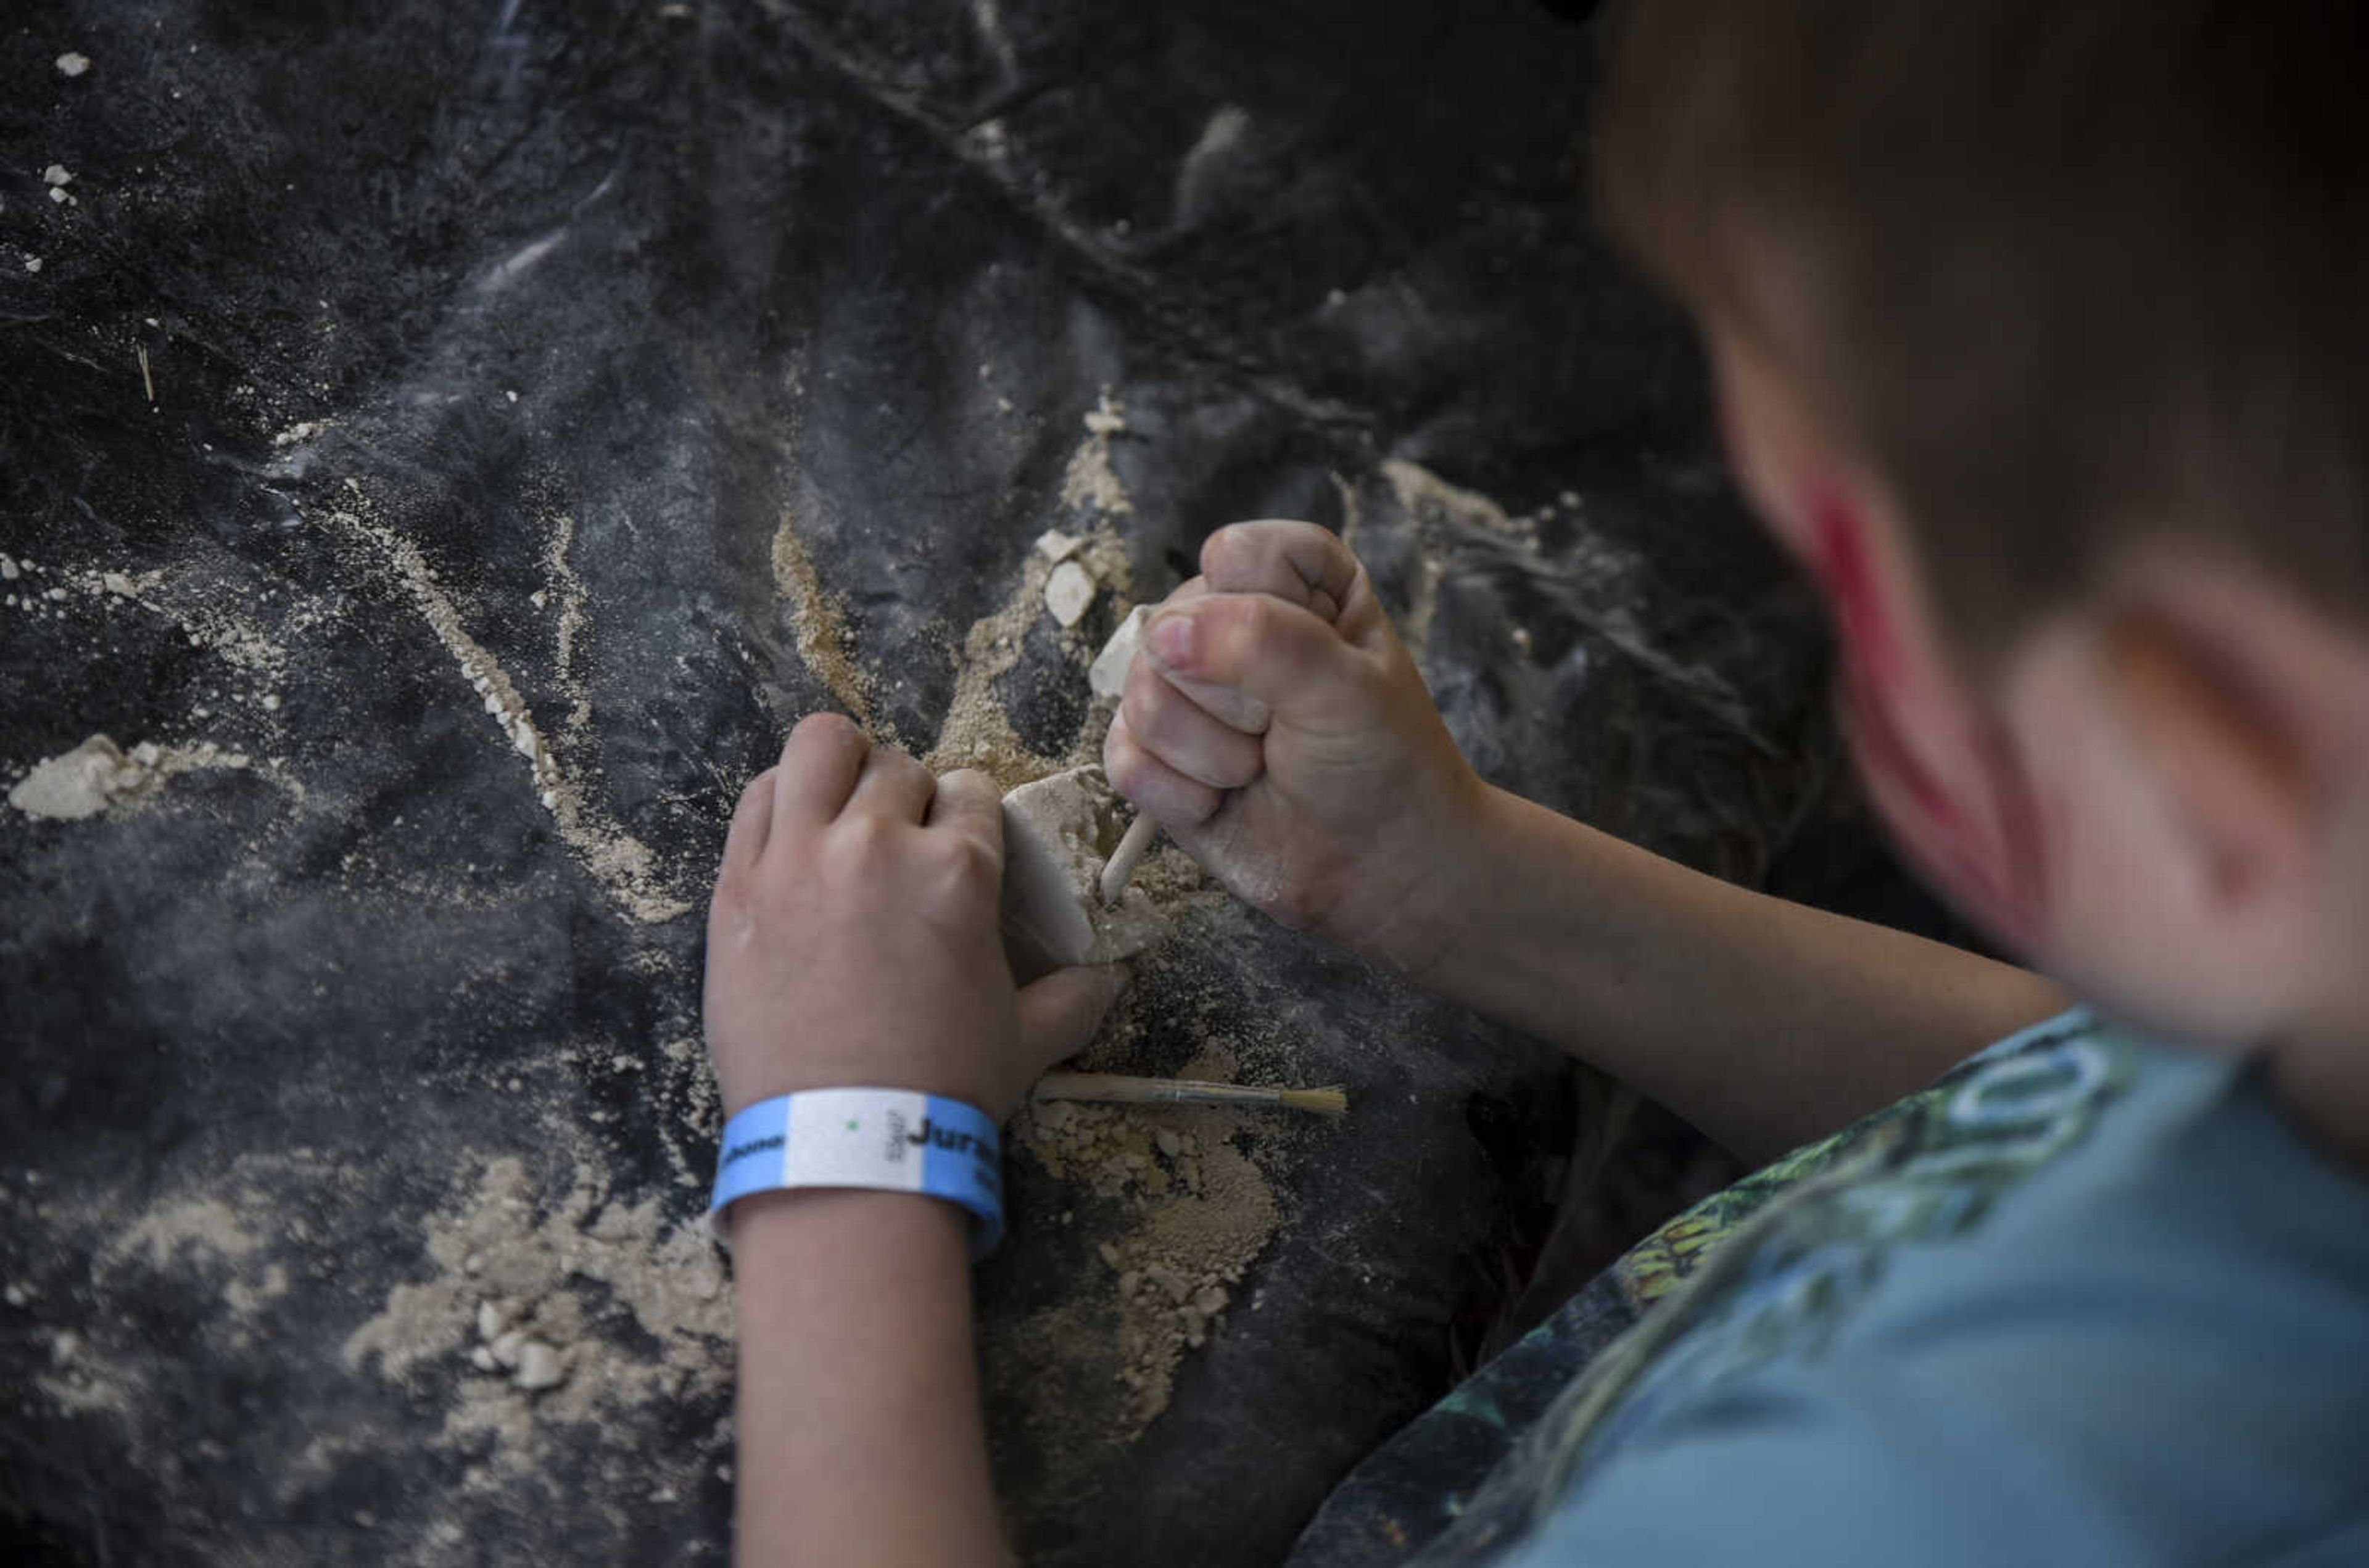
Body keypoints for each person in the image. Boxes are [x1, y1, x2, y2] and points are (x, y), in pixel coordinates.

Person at [699, 1, 2369, 1561]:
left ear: (2202, 743)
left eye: (1839, 572)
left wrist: (843, 1158)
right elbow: (2061, 1093)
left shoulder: (1880, 1504)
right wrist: (1458, 884)